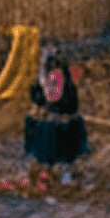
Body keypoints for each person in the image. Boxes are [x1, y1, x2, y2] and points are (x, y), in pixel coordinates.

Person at [23, 52, 88, 182]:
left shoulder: (57, 78)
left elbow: (54, 98)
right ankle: (46, 168)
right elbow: (40, 96)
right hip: (55, 124)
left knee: (50, 131)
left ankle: (58, 171)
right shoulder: (46, 78)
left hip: (60, 127)